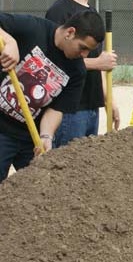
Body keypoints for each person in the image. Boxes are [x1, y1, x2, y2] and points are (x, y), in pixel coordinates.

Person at [0, 11, 105, 181]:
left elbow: (56, 109)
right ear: (70, 32)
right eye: (83, 48)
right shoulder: (33, 28)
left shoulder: (77, 71)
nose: (85, 55)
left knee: (39, 189)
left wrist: (46, 136)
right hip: (2, 130)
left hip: (30, 138)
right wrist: (10, 41)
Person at [45, 0, 119, 147]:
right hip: (69, 109)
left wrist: (108, 100)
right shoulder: (59, 11)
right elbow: (54, 63)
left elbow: (100, 64)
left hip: (91, 106)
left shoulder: (91, 13)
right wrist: (97, 62)